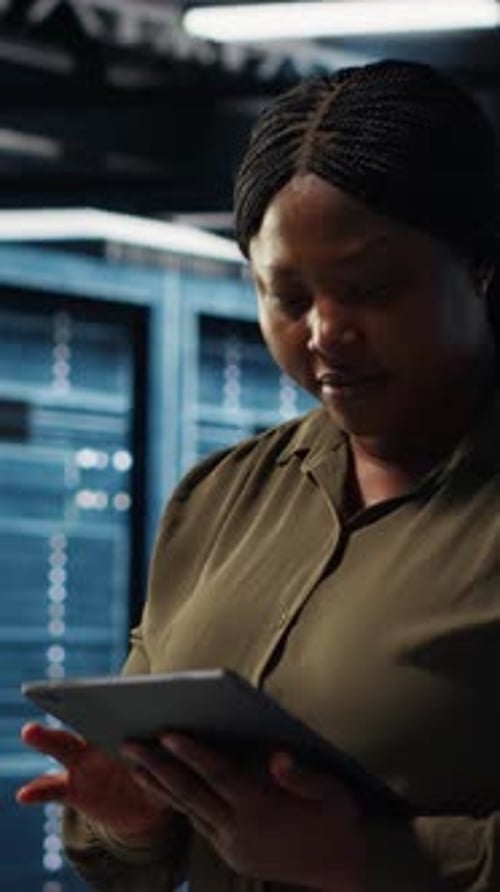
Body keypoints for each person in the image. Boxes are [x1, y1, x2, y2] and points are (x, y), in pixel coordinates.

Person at [16, 58, 500, 891]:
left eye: (369, 288)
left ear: (482, 267)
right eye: (286, 295)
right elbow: (131, 859)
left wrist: (367, 860)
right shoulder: (222, 497)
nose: (324, 332)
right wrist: (132, 820)